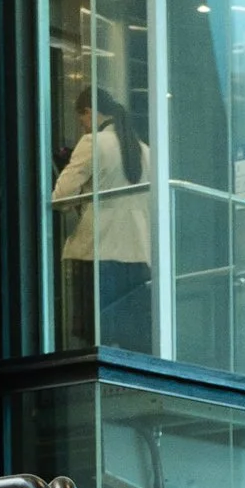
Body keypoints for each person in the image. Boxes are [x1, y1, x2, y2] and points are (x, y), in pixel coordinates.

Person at [52, 93, 153, 351]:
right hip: (139, 257)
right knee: (133, 344)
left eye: (82, 119)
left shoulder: (93, 142)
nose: (83, 126)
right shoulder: (145, 152)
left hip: (97, 253)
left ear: (89, 112)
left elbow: (61, 197)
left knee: (94, 345)